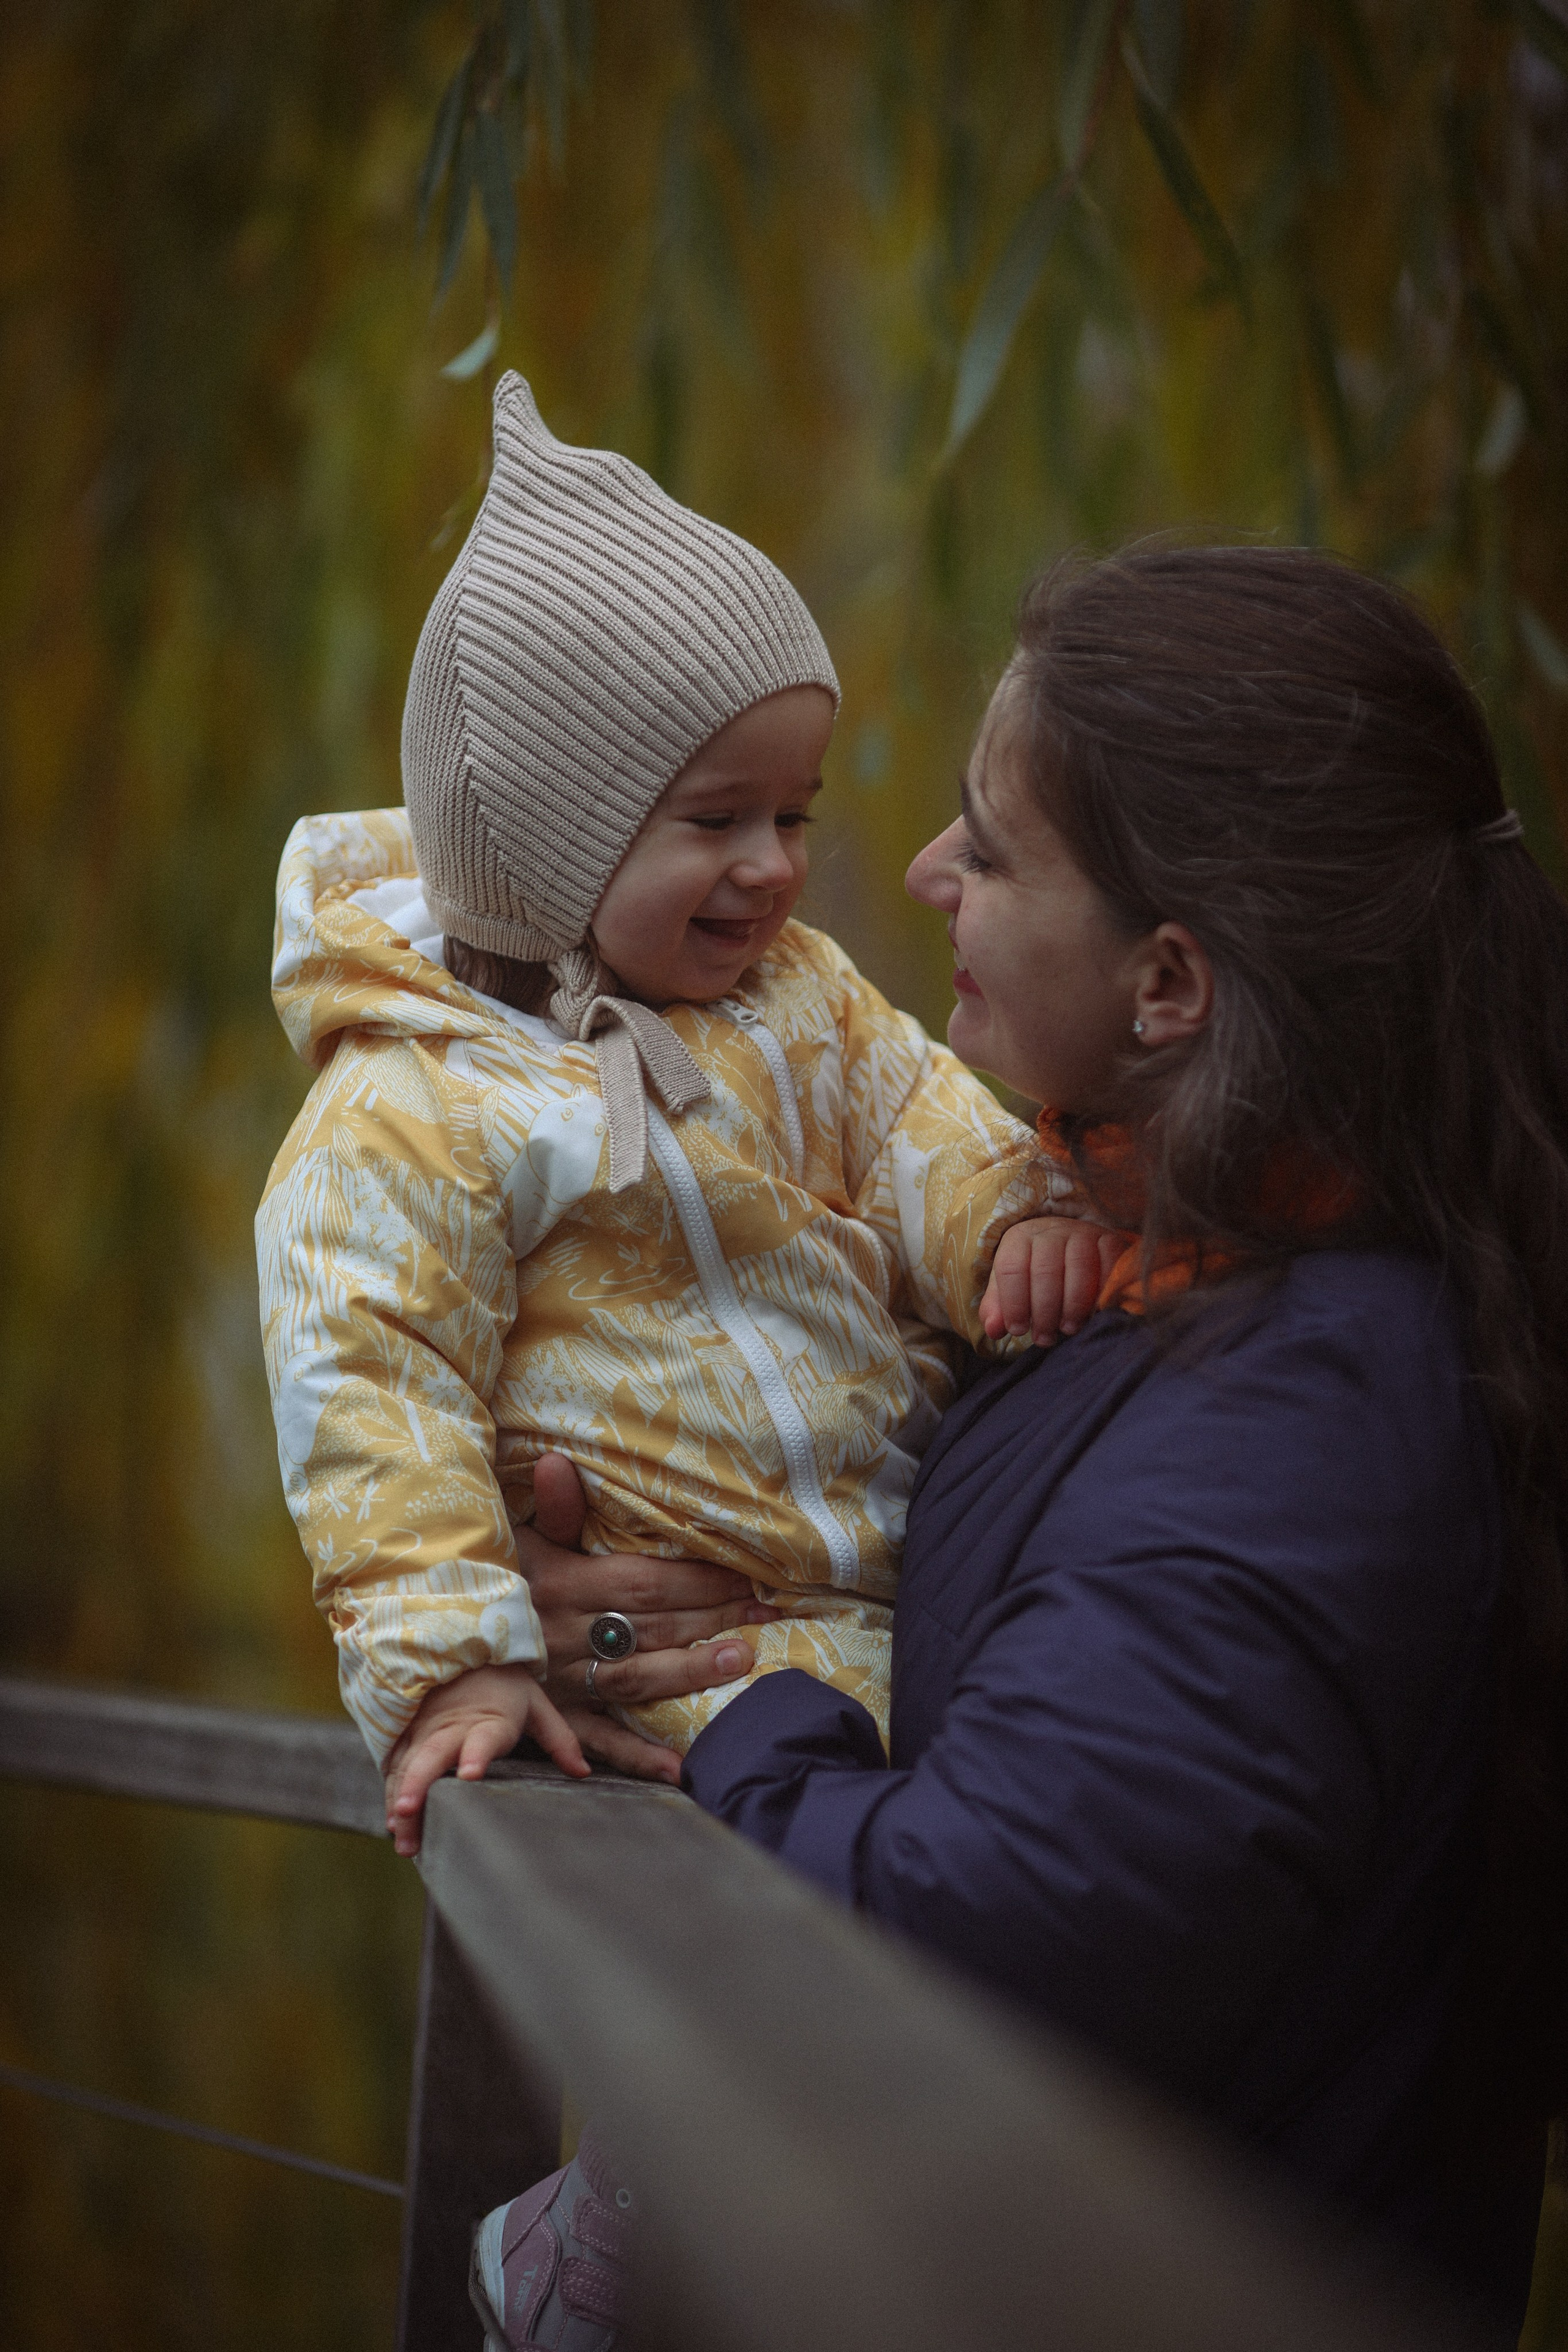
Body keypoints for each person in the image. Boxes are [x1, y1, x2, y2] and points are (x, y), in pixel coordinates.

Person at [488, 547, 1568, 2341]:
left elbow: (976, 1939)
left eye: (989, 850)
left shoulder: (1308, 1420)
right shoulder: (1161, 1281)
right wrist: (637, 1594)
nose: (921, 877)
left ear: (1169, 984)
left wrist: (746, 1703)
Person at [257, 371, 1107, 1863]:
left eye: (794, 814)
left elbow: (917, 1117)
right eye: (714, 821)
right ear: (539, 846)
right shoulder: (417, 1103)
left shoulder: (800, 1000)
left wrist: (1011, 1220)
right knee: (753, 1961)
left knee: (965, 1881)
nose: (773, 869)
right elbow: (369, 1378)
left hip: (890, 1587)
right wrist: (454, 1650)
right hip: (685, 1660)